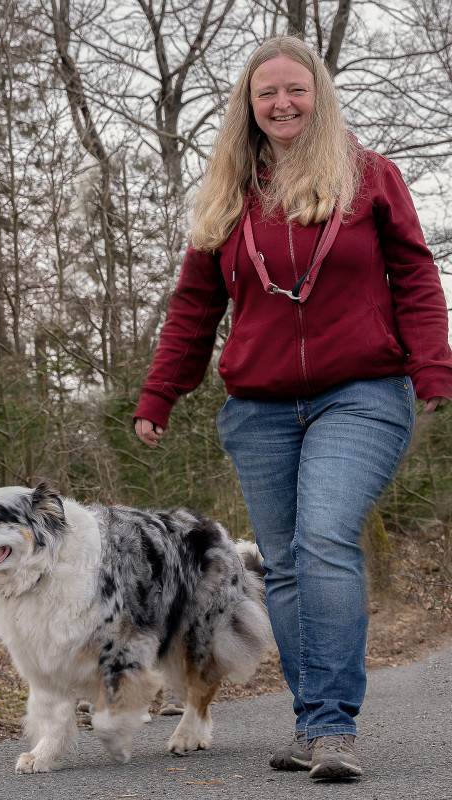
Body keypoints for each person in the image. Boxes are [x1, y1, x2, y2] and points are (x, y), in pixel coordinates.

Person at [133, 36, 452, 782]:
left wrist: (433, 368)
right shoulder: (228, 193)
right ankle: (312, 722)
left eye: (296, 90)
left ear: (320, 97)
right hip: (259, 407)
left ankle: (335, 726)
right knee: (282, 567)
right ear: (249, 103)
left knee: (325, 535)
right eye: (267, 92)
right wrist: (161, 391)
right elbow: (195, 305)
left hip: (364, 393)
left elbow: (414, 276)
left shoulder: (370, 177)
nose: (282, 103)